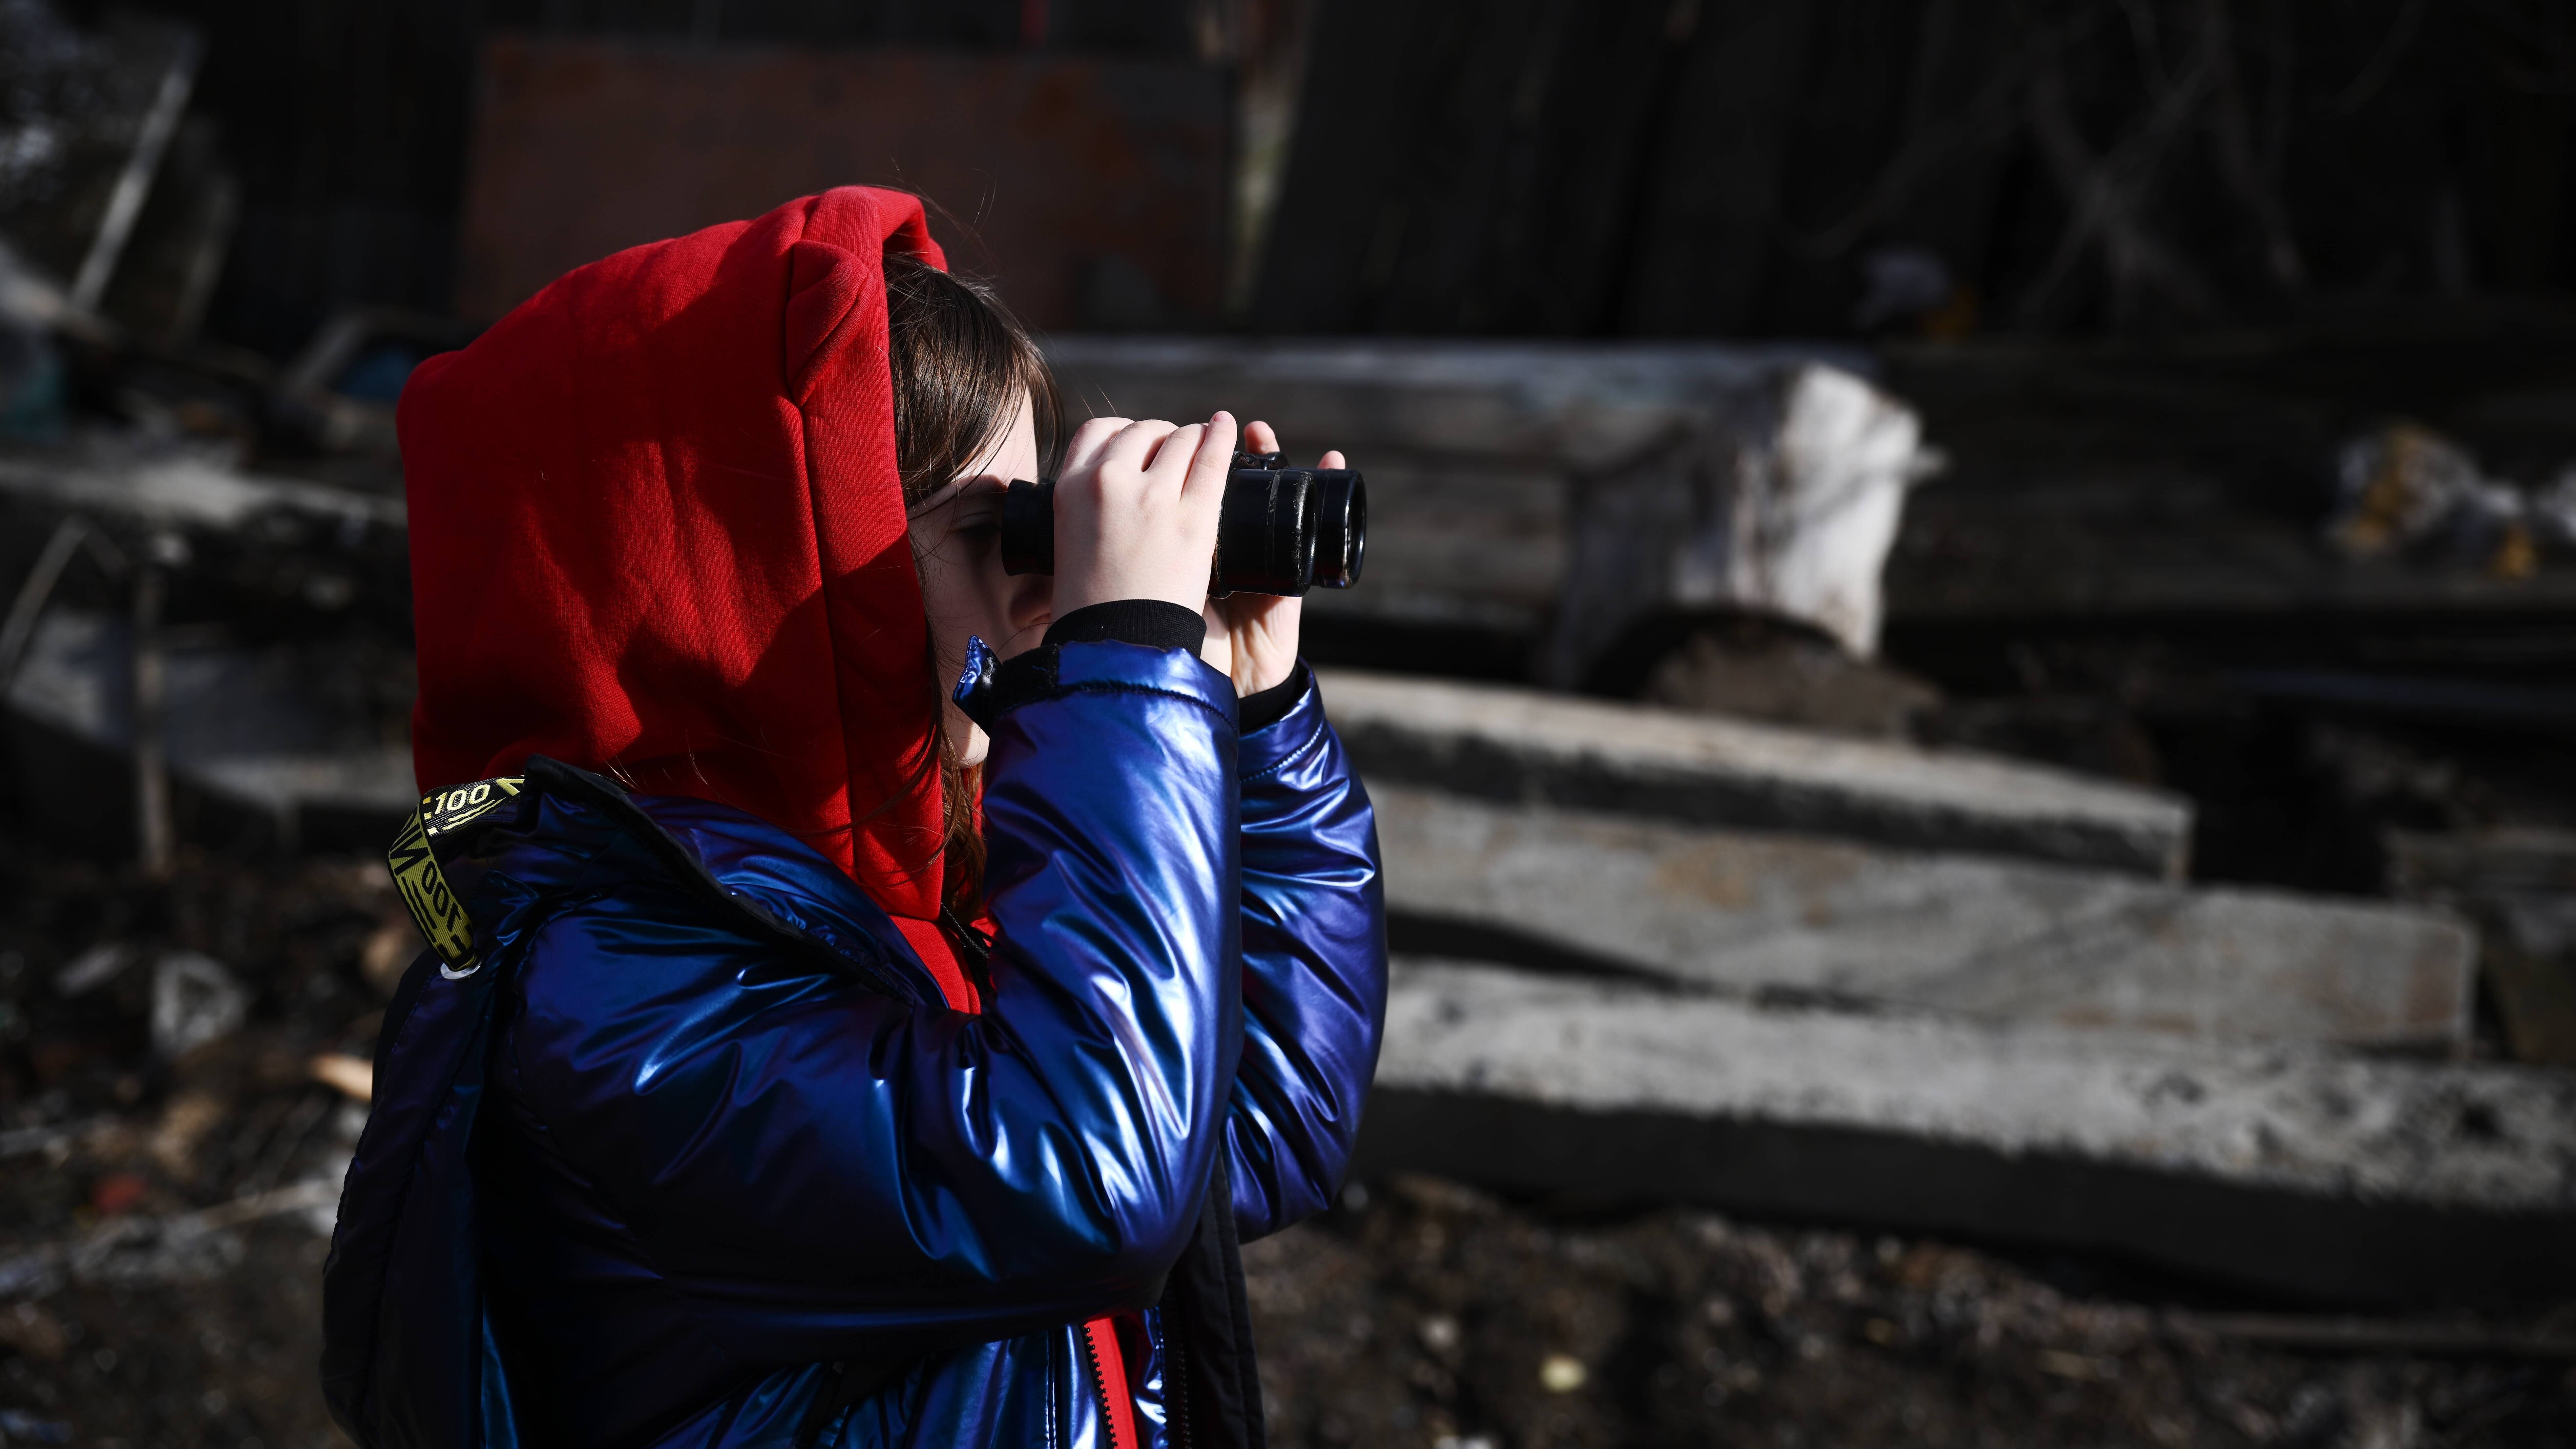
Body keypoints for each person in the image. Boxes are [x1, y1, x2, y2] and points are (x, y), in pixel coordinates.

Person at [319, 186, 1387, 1449]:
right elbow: (1097, 1186)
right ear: (749, 584)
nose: (1041, 589)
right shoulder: (616, 1002)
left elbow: (1259, 1131)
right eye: (1003, 534)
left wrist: (1255, 717)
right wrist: (1123, 667)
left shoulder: (907, 905)